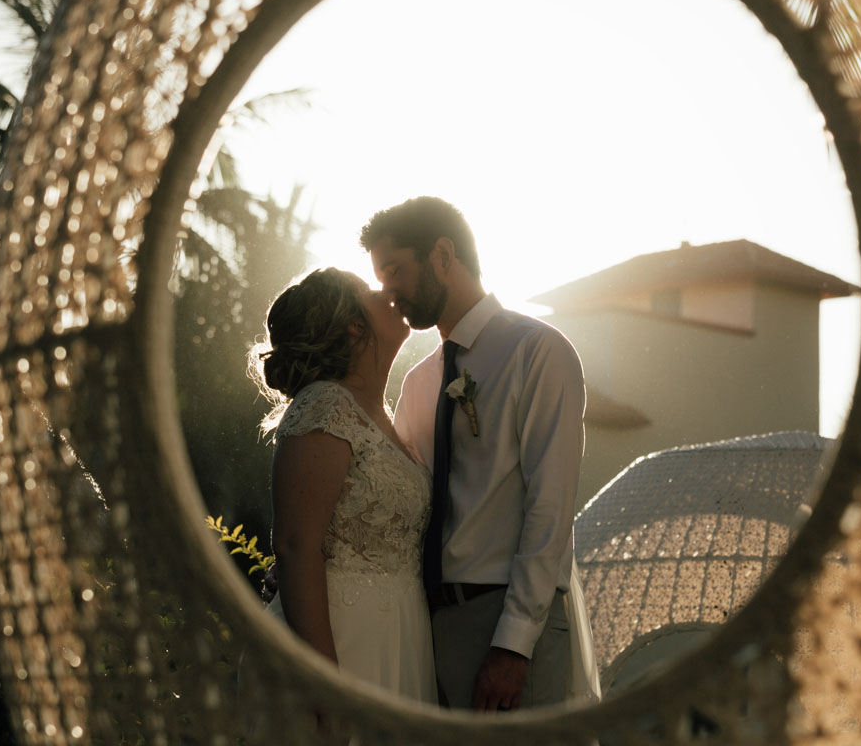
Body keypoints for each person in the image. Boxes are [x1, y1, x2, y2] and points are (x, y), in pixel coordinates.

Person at [360, 197, 601, 711]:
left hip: (507, 620)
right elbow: (404, 502)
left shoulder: (538, 351)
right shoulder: (420, 382)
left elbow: (550, 507)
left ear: (443, 255)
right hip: (427, 627)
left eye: (394, 269)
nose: (388, 290)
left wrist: (513, 644)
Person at [250, 267, 437, 703]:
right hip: (342, 638)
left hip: (401, 634)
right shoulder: (324, 404)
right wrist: (323, 681)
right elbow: (296, 545)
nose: (388, 292)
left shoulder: (379, 413)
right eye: (371, 290)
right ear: (356, 325)